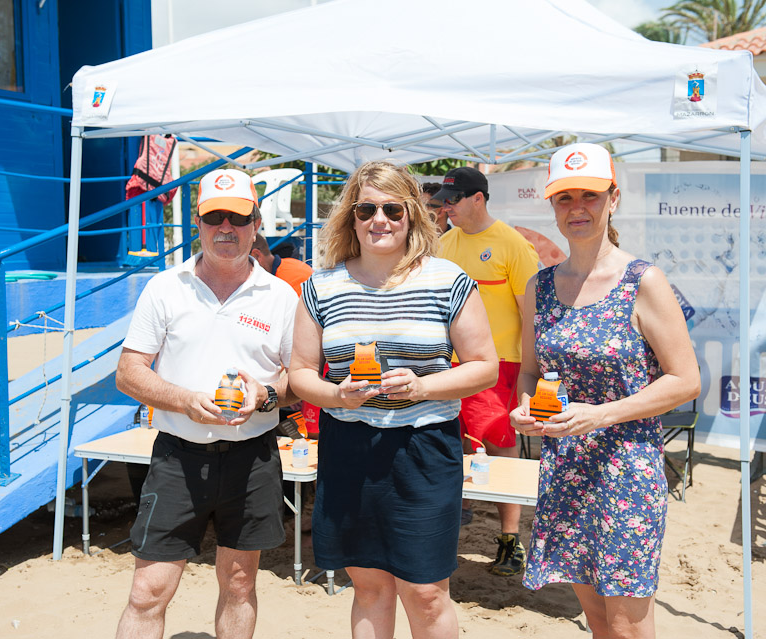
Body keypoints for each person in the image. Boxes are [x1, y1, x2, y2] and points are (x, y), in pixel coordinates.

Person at [289, 161, 498, 639]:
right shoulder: (322, 286)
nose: (378, 219)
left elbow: (484, 365)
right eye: (366, 208)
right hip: (348, 448)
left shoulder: (448, 279)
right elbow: (300, 373)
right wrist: (336, 395)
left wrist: (424, 387)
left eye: (392, 208)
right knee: (368, 587)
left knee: (426, 593)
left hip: (424, 449)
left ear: (412, 216)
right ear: (351, 216)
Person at [509, 143, 701, 639]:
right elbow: (530, 371)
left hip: (627, 472)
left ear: (613, 199)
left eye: (589, 196)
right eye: (564, 197)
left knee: (627, 625)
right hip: (565, 468)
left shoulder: (644, 281)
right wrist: (527, 406)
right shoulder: (540, 287)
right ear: (552, 206)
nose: (577, 208)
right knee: (596, 619)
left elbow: (686, 380)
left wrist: (602, 414)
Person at [114, 168, 300, 639]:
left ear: (256, 223)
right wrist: (185, 400)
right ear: (196, 222)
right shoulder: (165, 287)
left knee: (239, 583)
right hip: (179, 455)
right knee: (148, 590)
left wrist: (264, 397)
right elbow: (128, 372)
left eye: (237, 218)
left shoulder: (280, 297)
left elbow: (299, 380)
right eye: (214, 217)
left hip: (252, 457)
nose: (225, 229)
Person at [433, 166, 540, 576]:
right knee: (448, 447)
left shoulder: (513, 245)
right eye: (443, 199)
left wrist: (529, 368)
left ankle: (511, 540)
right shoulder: (444, 245)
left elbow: (530, 313)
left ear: (478, 198)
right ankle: (446, 530)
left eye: (453, 199)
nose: (446, 206)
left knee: (499, 445)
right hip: (448, 364)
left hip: (500, 365)